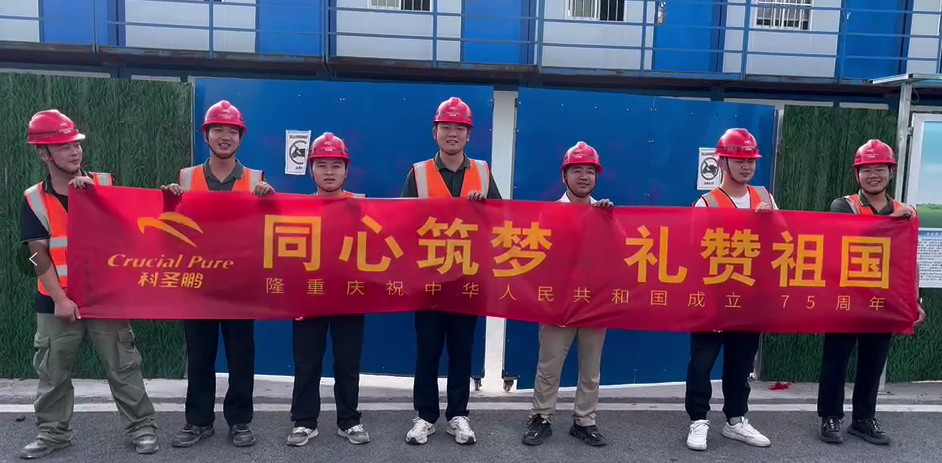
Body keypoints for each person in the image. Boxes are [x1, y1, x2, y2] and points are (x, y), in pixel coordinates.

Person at [19, 109, 159, 459]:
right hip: (56, 301)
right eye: (64, 146)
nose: (74, 152)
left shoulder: (106, 185)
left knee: (124, 366)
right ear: (44, 154)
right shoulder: (34, 198)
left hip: (105, 298)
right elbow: (37, 256)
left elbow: (134, 231)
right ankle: (53, 434)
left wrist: (97, 198)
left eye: (76, 144)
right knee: (52, 372)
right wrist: (60, 299)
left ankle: (142, 428)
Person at [161, 100, 274, 448]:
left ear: (241, 137)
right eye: (218, 130)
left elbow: (271, 228)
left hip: (240, 286)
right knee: (200, 356)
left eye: (232, 131)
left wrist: (271, 201)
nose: (225, 136)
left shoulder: (257, 180)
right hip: (199, 284)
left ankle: (239, 421)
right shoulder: (185, 178)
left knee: (241, 357)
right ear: (206, 135)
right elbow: (170, 228)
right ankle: (198, 421)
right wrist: (169, 201)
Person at [400, 96, 502, 445]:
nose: (453, 133)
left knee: (462, 352)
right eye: (446, 127)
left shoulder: (483, 172)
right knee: (427, 352)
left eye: (460, 127)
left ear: (469, 134)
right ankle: (425, 416)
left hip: (467, 280)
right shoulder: (418, 173)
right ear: (435, 132)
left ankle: (459, 415)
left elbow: (502, 222)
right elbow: (402, 223)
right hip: (428, 280)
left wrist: (485, 209)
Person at [816, 139, 926, 446]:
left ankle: (863, 419)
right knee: (835, 359)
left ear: (891, 172)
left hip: (884, 300)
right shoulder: (844, 205)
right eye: (866, 169)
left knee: (873, 362)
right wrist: (888, 224)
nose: (873, 175)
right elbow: (847, 238)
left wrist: (914, 300)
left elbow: (910, 260)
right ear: (857, 174)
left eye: (880, 169)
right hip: (846, 298)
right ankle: (830, 417)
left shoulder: (906, 212)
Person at [685, 128, 774, 451]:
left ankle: (736, 420)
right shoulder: (706, 203)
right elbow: (695, 251)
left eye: (751, 160)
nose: (746, 166)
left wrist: (770, 222)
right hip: (713, 298)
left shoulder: (765, 198)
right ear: (722, 162)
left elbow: (783, 242)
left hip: (750, 298)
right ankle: (698, 420)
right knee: (702, 363)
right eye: (739, 160)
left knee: (741, 363)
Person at [522, 142, 614, 447]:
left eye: (590, 171)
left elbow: (622, 255)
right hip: (558, 302)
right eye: (577, 170)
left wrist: (610, 221)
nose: (584, 176)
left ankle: (585, 420)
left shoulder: (607, 213)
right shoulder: (549, 214)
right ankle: (541, 417)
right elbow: (535, 258)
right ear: (565, 176)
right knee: (549, 365)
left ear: (597, 177)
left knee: (591, 367)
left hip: (594, 301)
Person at [287, 132, 369, 447]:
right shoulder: (297, 208)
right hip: (309, 294)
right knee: (307, 361)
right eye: (321, 165)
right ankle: (304, 421)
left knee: (347, 362)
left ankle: (349, 420)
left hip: (350, 294)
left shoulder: (362, 206)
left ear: (347, 171)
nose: (329, 172)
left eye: (336, 165)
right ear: (311, 170)